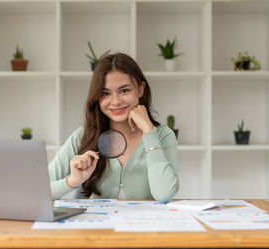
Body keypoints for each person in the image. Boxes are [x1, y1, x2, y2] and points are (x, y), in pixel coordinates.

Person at [48, 53, 179, 202]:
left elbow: (164, 195)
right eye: (105, 93)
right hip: (99, 224)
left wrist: (148, 131)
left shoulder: (163, 136)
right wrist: (72, 181)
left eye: (124, 91)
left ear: (141, 89)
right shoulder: (82, 136)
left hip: (143, 225)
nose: (115, 101)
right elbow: (39, 190)